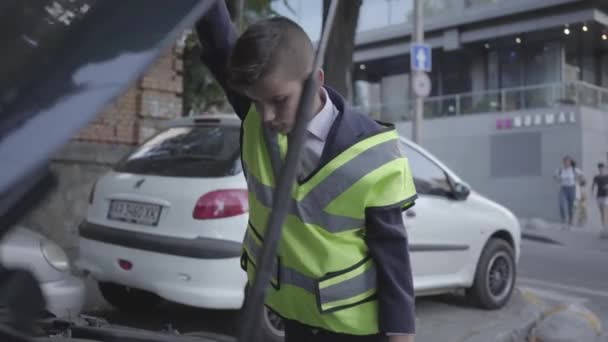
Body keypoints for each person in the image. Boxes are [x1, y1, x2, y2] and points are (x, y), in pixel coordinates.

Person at [196, 3, 417, 342]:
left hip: (354, 332)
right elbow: (220, 41)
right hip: (292, 317)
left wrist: (401, 336)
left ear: (317, 81)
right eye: (256, 102)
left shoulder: (373, 155)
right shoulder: (259, 115)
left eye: (279, 100)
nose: (267, 116)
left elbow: (392, 256)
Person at [554, 156, 584, 226]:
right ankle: (564, 218)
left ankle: (571, 219)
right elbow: (555, 176)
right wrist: (558, 179)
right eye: (565, 161)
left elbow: (581, 175)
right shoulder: (560, 170)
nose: (566, 163)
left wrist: (579, 180)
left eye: (568, 162)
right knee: (561, 203)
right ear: (563, 162)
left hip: (572, 188)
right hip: (563, 188)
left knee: (571, 206)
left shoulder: (574, 170)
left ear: (570, 162)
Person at [591, 163, 608, 235]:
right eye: (600, 168)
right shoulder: (596, 177)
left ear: (605, 168)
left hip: (606, 196)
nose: (601, 169)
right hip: (599, 196)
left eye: (603, 168)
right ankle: (604, 227)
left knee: (604, 212)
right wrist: (592, 193)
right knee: (602, 213)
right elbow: (593, 186)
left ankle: (605, 229)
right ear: (598, 169)